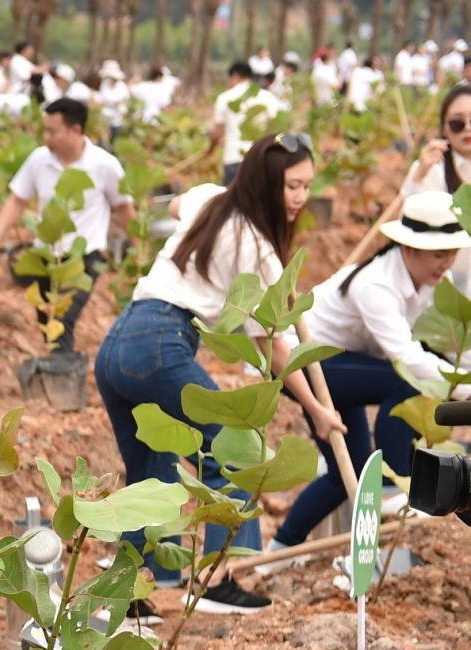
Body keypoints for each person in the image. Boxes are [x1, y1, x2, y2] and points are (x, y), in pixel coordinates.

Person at [94, 133, 344, 614]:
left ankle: (143, 581)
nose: (299, 198)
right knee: (235, 446)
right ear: (267, 183)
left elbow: (177, 206)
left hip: (118, 342)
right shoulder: (259, 249)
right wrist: (315, 409)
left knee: (150, 465)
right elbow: (268, 342)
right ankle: (220, 578)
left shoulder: (210, 200)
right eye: (291, 185)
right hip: (160, 343)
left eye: (306, 186)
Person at [268, 191, 471, 559]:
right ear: (408, 249)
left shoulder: (429, 284)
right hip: (302, 365)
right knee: (406, 377)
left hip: (344, 368)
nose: (447, 263)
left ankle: (276, 554)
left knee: (352, 477)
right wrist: (463, 391)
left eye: (451, 253)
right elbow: (406, 357)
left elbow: (449, 344)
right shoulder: (375, 284)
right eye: (439, 254)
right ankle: (395, 485)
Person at [0, 97, 133, 353]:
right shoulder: (39, 159)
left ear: (76, 130)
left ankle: (62, 378)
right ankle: (59, 370)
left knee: (63, 318)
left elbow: (125, 208)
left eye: (52, 131)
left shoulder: (105, 165)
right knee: (46, 319)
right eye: (44, 130)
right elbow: (17, 200)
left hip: (83, 258)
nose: (46, 137)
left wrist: (140, 253)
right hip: (46, 254)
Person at [399, 84, 471, 290]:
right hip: (440, 277)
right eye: (458, 123)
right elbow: (409, 219)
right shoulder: (432, 168)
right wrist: (419, 173)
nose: (467, 127)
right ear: (444, 127)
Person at [209, 61, 284, 184]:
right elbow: (277, 129)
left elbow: (216, 133)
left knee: (232, 201)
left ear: (235, 76)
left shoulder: (225, 98)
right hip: (261, 159)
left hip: (233, 158)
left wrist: (210, 149)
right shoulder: (268, 97)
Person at [97, 59, 131, 140]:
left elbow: (126, 103)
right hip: (104, 120)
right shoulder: (103, 84)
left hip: (117, 121)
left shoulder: (122, 87)